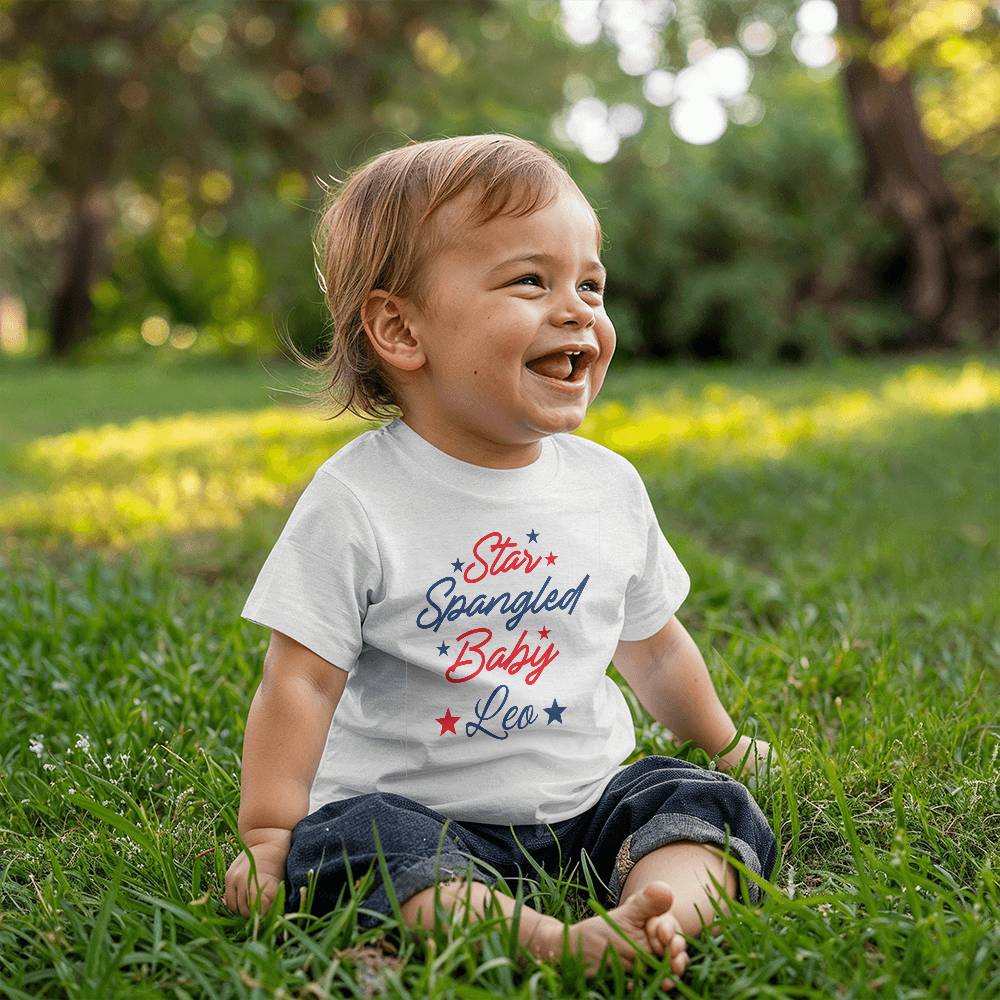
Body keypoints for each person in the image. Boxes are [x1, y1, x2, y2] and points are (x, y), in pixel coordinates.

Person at [223, 133, 778, 991]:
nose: (579, 311)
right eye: (532, 281)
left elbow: (656, 646)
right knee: (352, 846)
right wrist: (267, 835)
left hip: (586, 802)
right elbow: (300, 681)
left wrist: (728, 745)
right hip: (418, 812)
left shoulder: (608, 487)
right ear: (403, 329)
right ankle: (555, 943)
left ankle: (661, 914)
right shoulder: (358, 499)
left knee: (697, 803)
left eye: (590, 284)